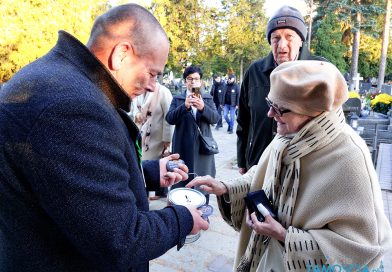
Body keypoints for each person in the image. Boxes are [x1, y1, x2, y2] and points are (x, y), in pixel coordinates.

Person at [0, 4, 209, 272]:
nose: (152, 85)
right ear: (122, 53)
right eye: (152, 73)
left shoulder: (58, 79)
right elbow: (121, 240)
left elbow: (68, 182)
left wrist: (143, 173)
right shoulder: (72, 108)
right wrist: (181, 220)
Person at [188, 61, 392, 271]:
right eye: (270, 104)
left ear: (312, 112)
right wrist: (226, 188)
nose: (270, 114)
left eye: (279, 109)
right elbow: (264, 174)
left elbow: (361, 250)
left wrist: (284, 236)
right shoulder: (289, 134)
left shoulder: (350, 157)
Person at [237, 5, 326, 175]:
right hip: (258, 164)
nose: (282, 44)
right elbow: (243, 121)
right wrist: (242, 160)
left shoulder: (320, 69)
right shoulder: (254, 72)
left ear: (301, 40)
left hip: (303, 169)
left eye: (289, 36)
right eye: (275, 37)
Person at [166, 66, 220, 202]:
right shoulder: (178, 99)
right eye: (189, 79)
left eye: (196, 79)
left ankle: (202, 212)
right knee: (182, 178)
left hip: (203, 146)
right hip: (182, 145)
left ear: (200, 81)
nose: (193, 82)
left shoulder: (207, 98)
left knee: (203, 179)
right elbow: (170, 119)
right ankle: (181, 211)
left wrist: (203, 108)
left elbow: (215, 119)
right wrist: (184, 106)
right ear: (185, 82)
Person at [131, 82, 173, 199]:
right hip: (141, 134)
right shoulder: (138, 88)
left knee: (156, 163)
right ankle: (147, 193)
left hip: (157, 138)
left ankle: (158, 192)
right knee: (142, 163)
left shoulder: (163, 92)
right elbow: (134, 109)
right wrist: (137, 115)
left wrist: (167, 140)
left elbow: (168, 118)